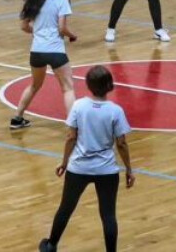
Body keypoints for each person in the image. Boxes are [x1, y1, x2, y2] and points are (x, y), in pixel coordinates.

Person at [40, 65, 133, 252]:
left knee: (66, 208)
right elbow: (121, 143)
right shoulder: (116, 111)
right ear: (110, 85)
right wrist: (129, 170)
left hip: (78, 168)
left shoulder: (78, 106)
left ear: (89, 85)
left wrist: (64, 162)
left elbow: (71, 137)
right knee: (108, 215)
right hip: (106, 170)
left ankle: (51, 245)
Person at [11, 0, 78, 130]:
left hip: (37, 52)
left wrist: (38, 32)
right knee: (68, 88)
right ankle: (73, 126)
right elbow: (62, 28)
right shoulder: (62, 0)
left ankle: (17, 118)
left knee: (35, 85)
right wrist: (72, 35)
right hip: (55, 51)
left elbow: (24, 26)